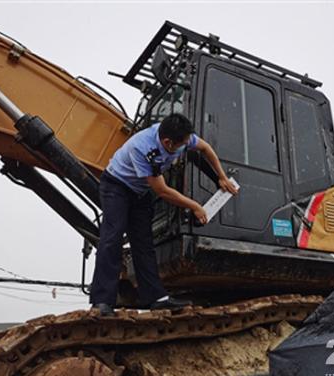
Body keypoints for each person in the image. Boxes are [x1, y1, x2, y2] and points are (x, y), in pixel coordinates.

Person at [90, 113, 238, 316]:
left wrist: (221, 177)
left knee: (143, 243)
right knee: (112, 239)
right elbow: (162, 191)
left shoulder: (180, 136)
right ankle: (102, 301)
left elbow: (205, 149)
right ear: (168, 143)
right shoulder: (143, 149)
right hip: (116, 186)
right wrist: (195, 206)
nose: (186, 146)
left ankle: (156, 298)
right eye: (182, 145)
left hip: (139, 190)